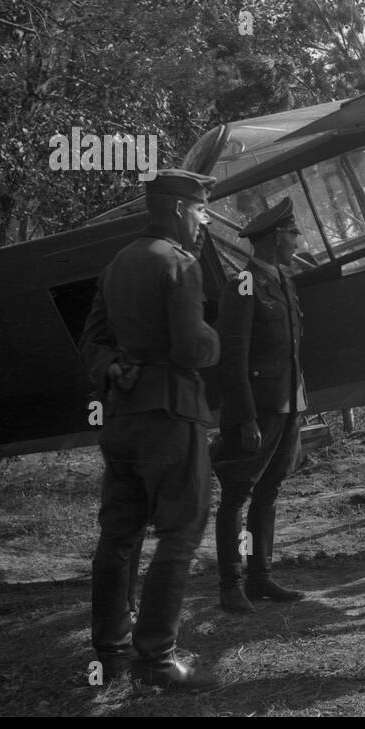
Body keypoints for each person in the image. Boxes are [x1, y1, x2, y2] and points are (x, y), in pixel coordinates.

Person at [79, 169, 220, 690]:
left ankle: (110, 653)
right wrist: (215, 342)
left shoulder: (117, 264)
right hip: (171, 414)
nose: (204, 222)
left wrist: (112, 367)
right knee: (180, 532)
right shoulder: (179, 264)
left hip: (121, 417)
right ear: (181, 209)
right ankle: (156, 661)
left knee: (118, 535)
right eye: (201, 211)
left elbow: (92, 340)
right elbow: (190, 347)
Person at [212, 197, 307, 613]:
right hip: (260, 408)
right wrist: (245, 416)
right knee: (237, 495)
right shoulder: (244, 285)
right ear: (274, 237)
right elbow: (232, 356)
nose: (297, 240)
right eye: (292, 233)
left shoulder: (284, 280)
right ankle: (231, 584)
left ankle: (260, 576)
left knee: (269, 492)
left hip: (288, 405)